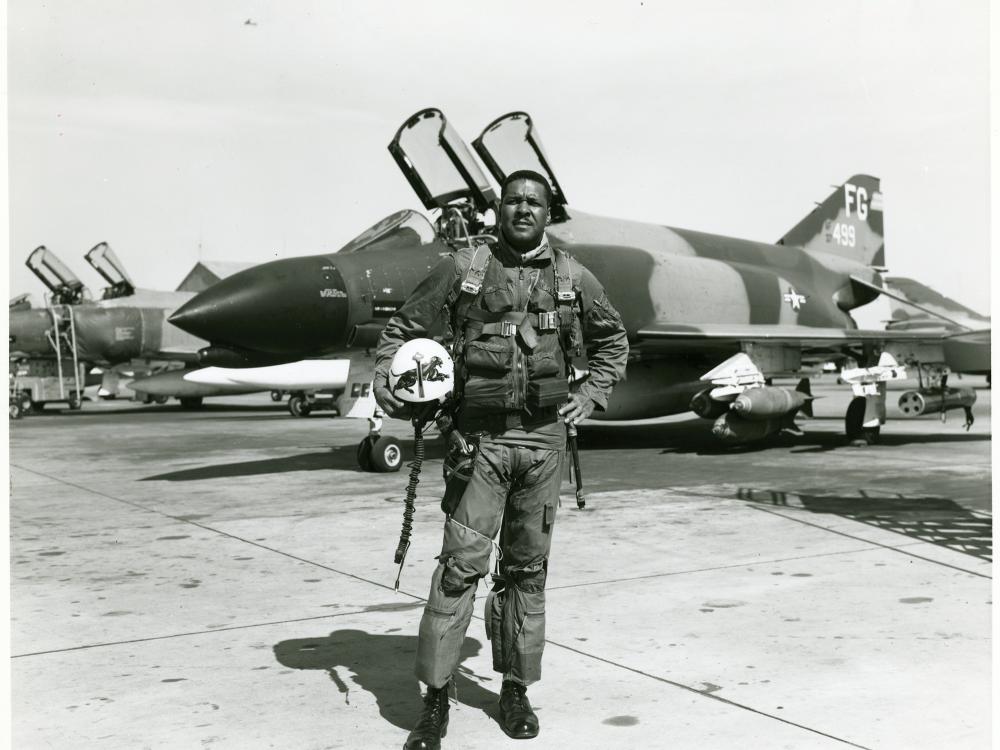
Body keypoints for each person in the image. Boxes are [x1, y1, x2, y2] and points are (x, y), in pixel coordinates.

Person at [374, 169, 628, 748]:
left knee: (527, 572)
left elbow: (614, 341)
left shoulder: (573, 277)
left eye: (533, 202)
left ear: (546, 213)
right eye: (512, 200)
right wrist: (391, 384)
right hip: (479, 445)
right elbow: (402, 330)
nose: (521, 209)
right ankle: (435, 702)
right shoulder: (463, 271)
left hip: (543, 446)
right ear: (499, 209)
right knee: (460, 568)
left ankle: (515, 688)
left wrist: (591, 394)